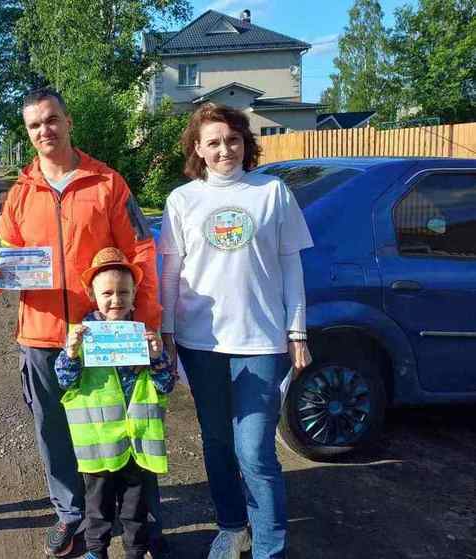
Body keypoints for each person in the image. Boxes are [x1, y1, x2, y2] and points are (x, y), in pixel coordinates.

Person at [0, 88, 164, 557]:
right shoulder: (19, 194)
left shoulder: (107, 183)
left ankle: (136, 519)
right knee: (53, 430)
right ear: (27, 133)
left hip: (106, 335)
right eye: (35, 125)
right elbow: (11, 260)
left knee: (121, 421)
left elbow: (141, 251)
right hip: (41, 334)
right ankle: (71, 515)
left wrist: (146, 321)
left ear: (68, 120)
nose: (46, 130)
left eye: (52, 119)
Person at [158, 103, 313, 559]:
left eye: (232, 139)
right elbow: (170, 272)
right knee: (217, 441)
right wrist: (166, 332)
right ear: (198, 150)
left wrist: (297, 330)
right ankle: (232, 526)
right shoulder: (182, 200)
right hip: (199, 341)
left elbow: (291, 264)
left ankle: (268, 547)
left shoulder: (272, 193)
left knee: (256, 451)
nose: (224, 149)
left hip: (262, 341)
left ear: (245, 143)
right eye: (213, 142)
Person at [54, 247, 175, 559]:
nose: (116, 300)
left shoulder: (144, 337)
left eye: (123, 292)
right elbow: (65, 381)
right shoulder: (79, 337)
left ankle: (135, 552)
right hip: (99, 448)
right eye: (107, 292)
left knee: (136, 510)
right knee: (98, 509)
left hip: (138, 447)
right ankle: (96, 552)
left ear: (134, 294)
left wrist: (157, 357)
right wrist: (71, 353)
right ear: (93, 295)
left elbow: (165, 385)